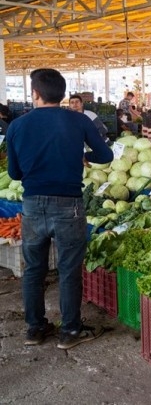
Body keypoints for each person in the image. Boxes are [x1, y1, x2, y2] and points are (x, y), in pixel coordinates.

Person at [7, 68, 113, 349]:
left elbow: (15, 174)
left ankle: (35, 329)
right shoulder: (78, 121)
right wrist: (81, 156)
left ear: (36, 94)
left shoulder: (18, 126)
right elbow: (106, 155)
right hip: (69, 206)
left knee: (34, 270)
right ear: (63, 94)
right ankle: (70, 332)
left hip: (32, 206)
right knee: (68, 269)